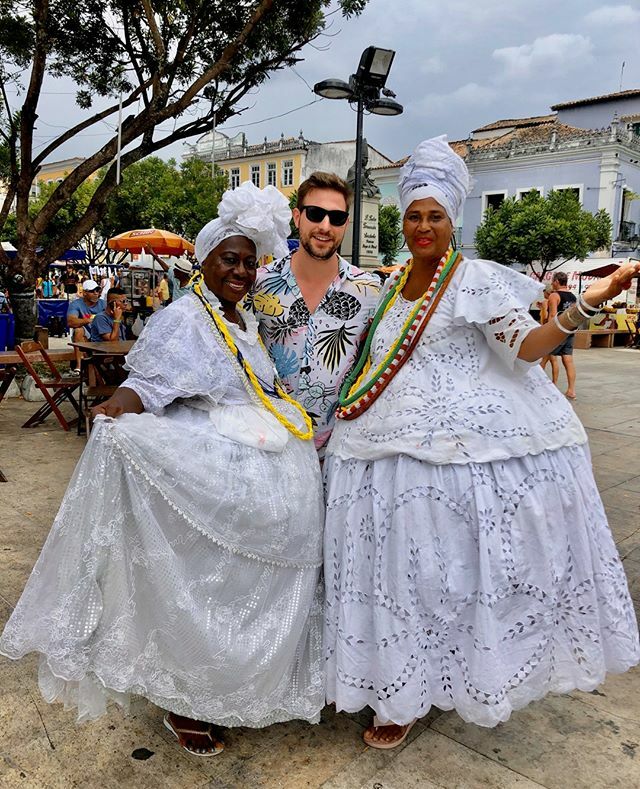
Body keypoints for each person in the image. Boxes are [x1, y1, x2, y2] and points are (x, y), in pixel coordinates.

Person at [323, 135, 640, 750]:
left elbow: (525, 348)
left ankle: (458, 677)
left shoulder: (478, 282)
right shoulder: (389, 289)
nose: (422, 226)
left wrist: (584, 310)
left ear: (453, 219)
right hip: (381, 451)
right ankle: (399, 692)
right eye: (413, 214)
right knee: (392, 577)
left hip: (457, 453)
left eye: (434, 215)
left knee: (452, 578)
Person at [0, 181, 324, 757]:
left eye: (250, 261)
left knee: (243, 584)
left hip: (259, 460)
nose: (242, 271)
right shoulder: (183, 318)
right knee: (201, 583)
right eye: (231, 259)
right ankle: (185, 698)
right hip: (208, 464)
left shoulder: (243, 324)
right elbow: (147, 383)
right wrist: (114, 411)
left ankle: (235, 680)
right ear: (205, 261)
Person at [251, 171, 380, 454]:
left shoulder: (369, 291)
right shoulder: (258, 284)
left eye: (336, 218)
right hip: (270, 447)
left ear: (346, 224)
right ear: (297, 217)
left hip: (339, 455)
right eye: (315, 214)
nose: (325, 226)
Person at [548, 272, 578, 399]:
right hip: (570, 331)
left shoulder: (554, 295)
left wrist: (547, 331)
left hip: (557, 331)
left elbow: (552, 315)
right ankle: (571, 390)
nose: (551, 284)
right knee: (568, 360)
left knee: (544, 357)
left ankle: (536, 387)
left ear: (556, 281)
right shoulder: (573, 297)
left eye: (552, 281)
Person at [66, 279, 106, 372]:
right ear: (85, 293)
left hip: (101, 334)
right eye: (92, 291)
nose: (96, 293)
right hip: (86, 335)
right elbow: (71, 322)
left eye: (98, 290)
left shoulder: (103, 303)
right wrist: (90, 320)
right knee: (78, 330)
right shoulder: (76, 304)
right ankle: (79, 366)